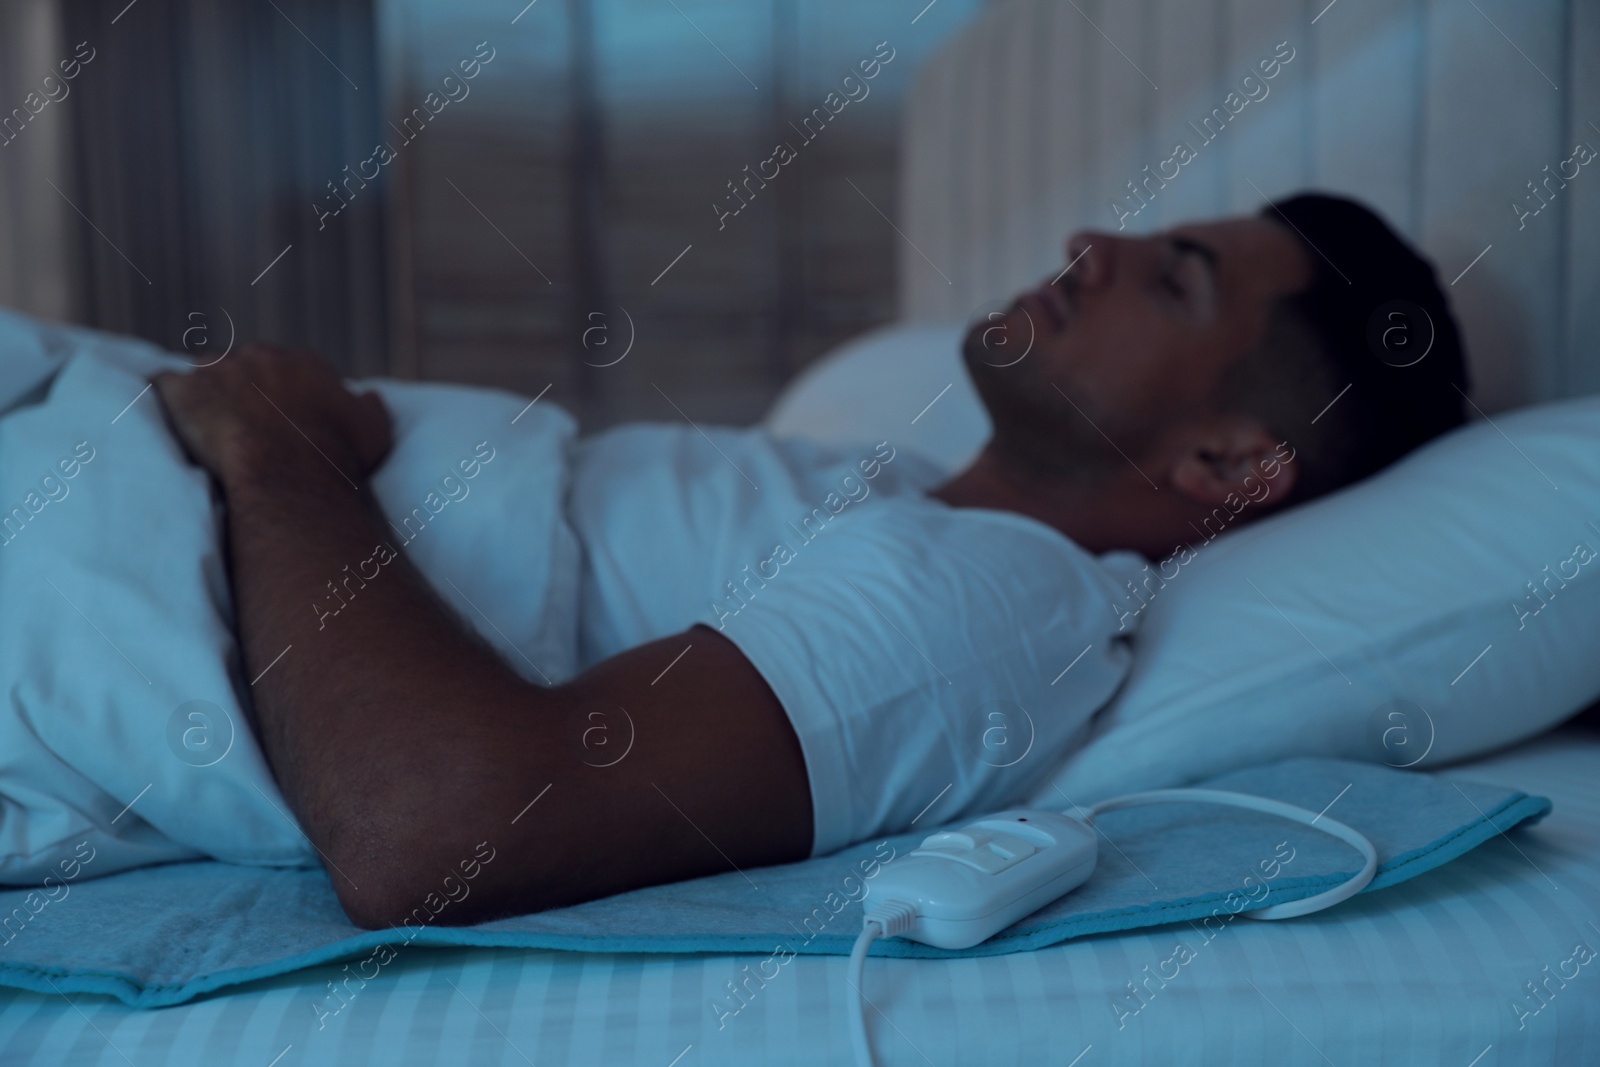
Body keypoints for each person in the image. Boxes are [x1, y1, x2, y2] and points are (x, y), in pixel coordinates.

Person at [151, 192, 1469, 929]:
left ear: (1226, 468)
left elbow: (434, 834)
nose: (1088, 240)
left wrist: (282, 454)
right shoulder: (895, 491)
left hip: (154, 545)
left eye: (1169, 282)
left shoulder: (999, 604)